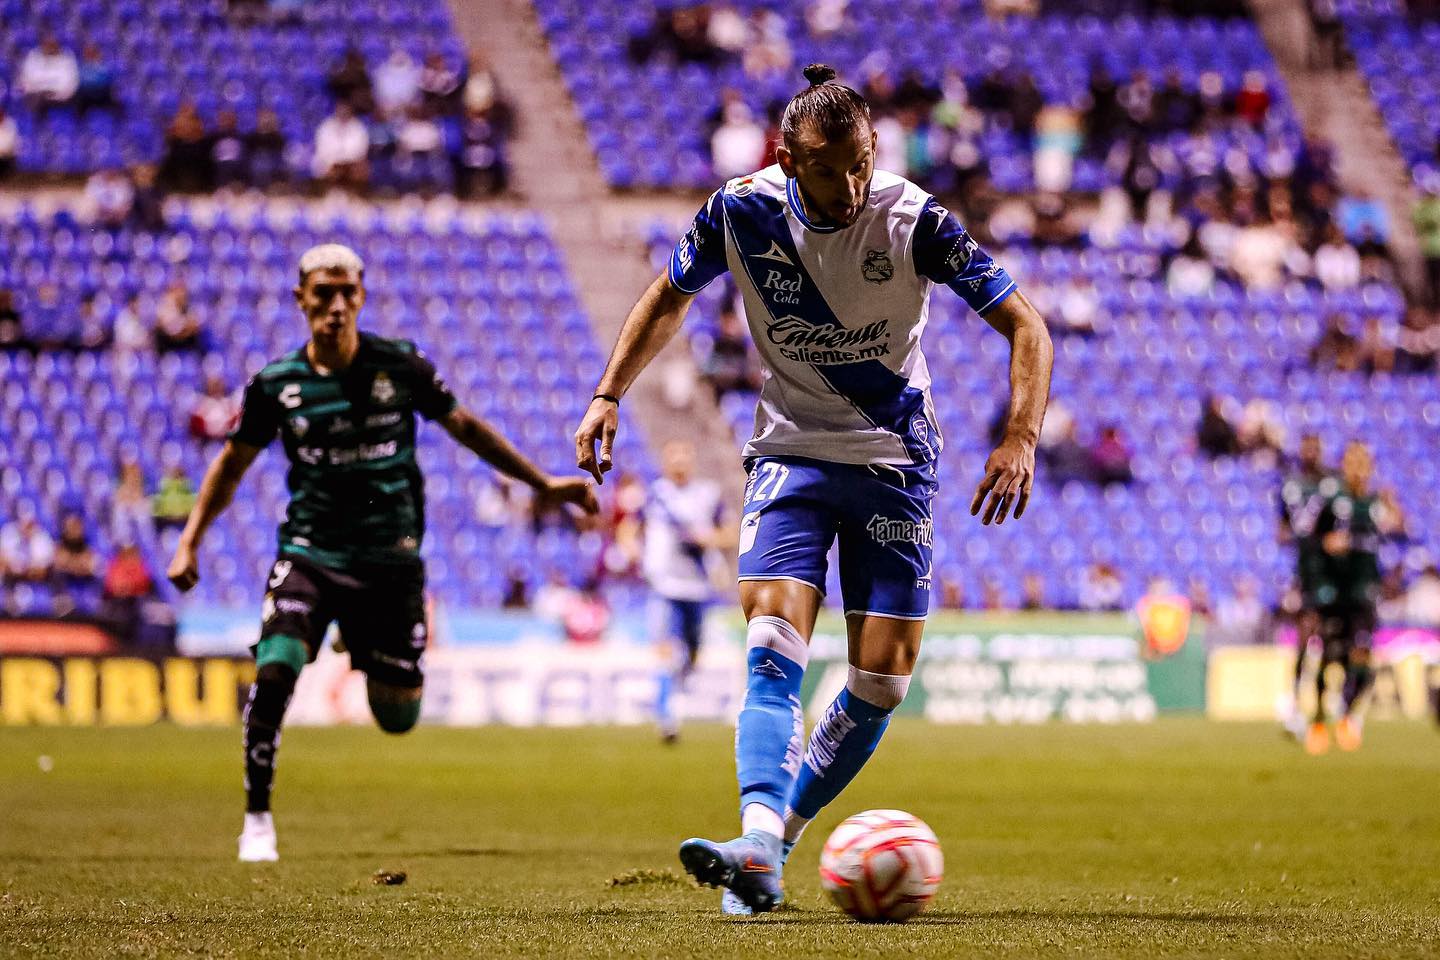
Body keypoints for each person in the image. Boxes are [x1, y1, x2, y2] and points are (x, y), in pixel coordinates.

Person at [572, 64, 1052, 914]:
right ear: (790, 162)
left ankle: (778, 842)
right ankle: (755, 834)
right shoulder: (741, 210)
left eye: (862, 161)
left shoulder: (913, 220)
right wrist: (609, 392)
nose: (851, 184)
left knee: (880, 684)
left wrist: (1018, 436)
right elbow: (667, 296)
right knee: (770, 638)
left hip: (895, 461)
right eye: (829, 169)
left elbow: (1026, 323)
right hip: (791, 450)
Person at [165, 244, 598, 863]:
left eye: (347, 293)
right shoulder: (275, 386)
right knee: (276, 670)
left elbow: (467, 427)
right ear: (301, 300)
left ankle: (360, 643)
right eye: (323, 294)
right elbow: (231, 466)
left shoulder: (400, 366)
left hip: (391, 563)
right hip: (310, 553)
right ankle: (257, 820)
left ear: (362, 297)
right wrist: (189, 540)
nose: (336, 307)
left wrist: (543, 484)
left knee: (397, 718)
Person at [644, 440, 731, 743]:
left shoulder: (707, 495)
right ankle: (666, 716)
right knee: (665, 649)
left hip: (697, 586)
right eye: (674, 458)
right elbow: (628, 528)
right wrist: (632, 551)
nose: (679, 464)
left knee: (694, 651)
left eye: (684, 458)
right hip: (664, 585)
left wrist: (709, 539)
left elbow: (730, 533)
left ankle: (677, 691)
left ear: (691, 462)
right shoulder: (654, 494)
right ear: (666, 462)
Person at [1303, 442, 1383, 755]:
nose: (1357, 467)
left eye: (1363, 461)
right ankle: (1320, 719)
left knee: (1362, 654)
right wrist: (1326, 545)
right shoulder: (1332, 500)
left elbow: (1395, 538)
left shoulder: (1377, 503)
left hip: (1363, 591)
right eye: (1352, 461)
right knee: (1329, 654)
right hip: (1335, 591)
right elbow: (1309, 539)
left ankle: (1349, 718)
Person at [1278, 433, 1333, 740]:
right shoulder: (1291, 487)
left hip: (1333, 578)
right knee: (1305, 641)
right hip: (1307, 576)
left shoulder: (1332, 487)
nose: (1310, 452)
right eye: (1306, 447)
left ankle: (1323, 708)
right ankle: (1299, 707)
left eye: (1315, 447)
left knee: (1330, 645)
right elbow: (1282, 528)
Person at [18, 34, 79, 117]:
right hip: (38, 96)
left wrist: (55, 92)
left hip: (61, 97)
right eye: (47, 44)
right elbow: (28, 79)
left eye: (53, 45)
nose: (50, 47)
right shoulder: (34, 57)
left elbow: (71, 82)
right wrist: (42, 89)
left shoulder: (66, 59)